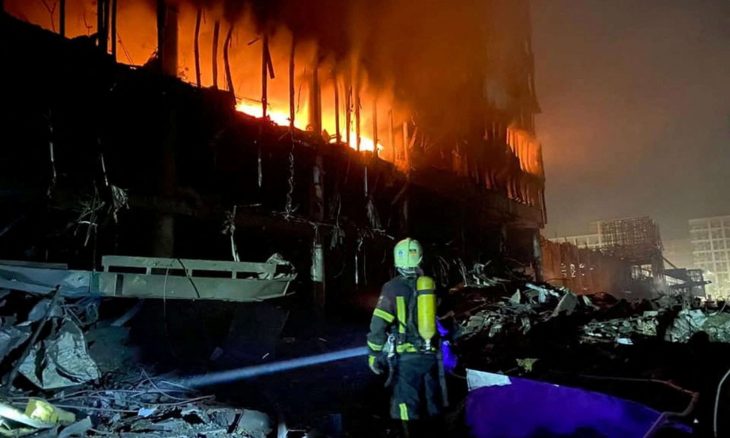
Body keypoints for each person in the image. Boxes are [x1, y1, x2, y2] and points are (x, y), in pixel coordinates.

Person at [366, 238, 443, 435]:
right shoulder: (431, 285)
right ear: (420, 258)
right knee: (431, 404)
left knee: (406, 406)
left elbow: (378, 324)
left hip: (407, 357)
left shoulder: (392, 288)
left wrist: (374, 354)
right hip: (431, 355)